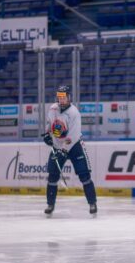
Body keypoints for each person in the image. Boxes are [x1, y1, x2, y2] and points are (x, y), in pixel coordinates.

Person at [41, 85, 97, 216]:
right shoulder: (53, 108)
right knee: (52, 176)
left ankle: (92, 203)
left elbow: (72, 136)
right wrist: (47, 134)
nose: (61, 99)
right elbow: (49, 123)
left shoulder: (74, 113)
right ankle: (50, 205)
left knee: (84, 175)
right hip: (57, 146)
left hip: (75, 147)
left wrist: (64, 150)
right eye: (59, 97)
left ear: (69, 97)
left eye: (63, 97)